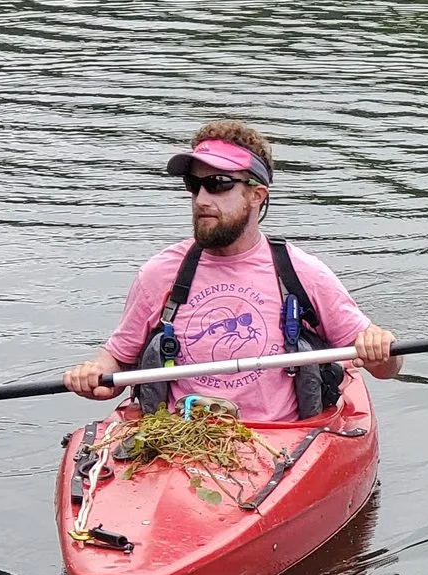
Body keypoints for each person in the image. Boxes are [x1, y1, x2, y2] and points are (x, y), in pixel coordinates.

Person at [64, 120, 398, 420]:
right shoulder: (160, 273)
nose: (201, 199)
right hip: (177, 440)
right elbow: (118, 360)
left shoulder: (303, 273)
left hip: (278, 445)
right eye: (194, 185)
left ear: (256, 195)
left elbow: (388, 368)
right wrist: (95, 375)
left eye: (219, 184)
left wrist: (378, 348)